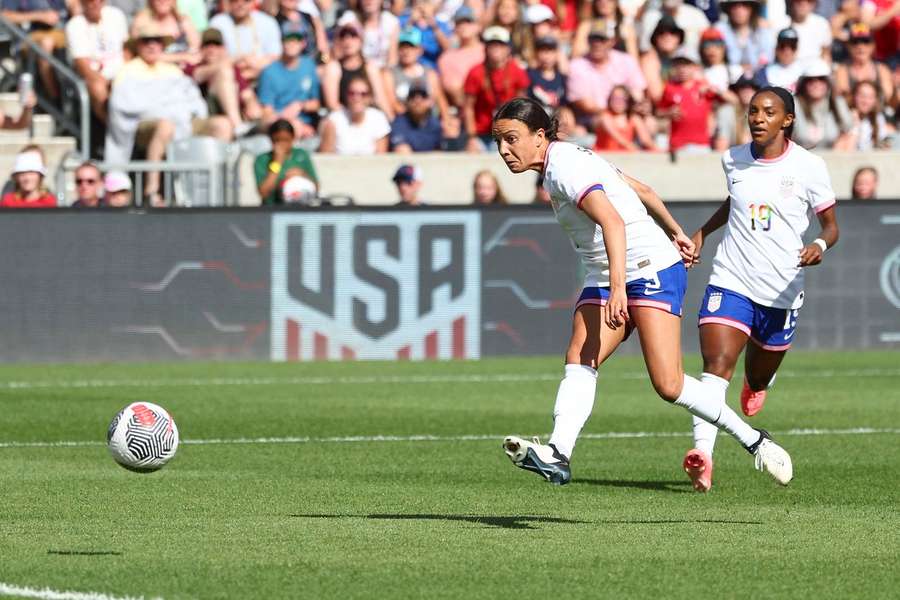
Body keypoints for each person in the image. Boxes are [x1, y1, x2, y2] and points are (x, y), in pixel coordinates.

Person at [492, 96, 793, 488]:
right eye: (498, 141)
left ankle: (754, 440)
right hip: (608, 273)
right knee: (580, 356)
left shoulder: (564, 166)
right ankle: (558, 453)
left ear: (538, 135)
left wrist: (621, 287)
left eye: (511, 139)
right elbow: (642, 190)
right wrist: (677, 231)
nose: (504, 150)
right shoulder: (566, 160)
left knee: (669, 384)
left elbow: (613, 222)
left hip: (648, 269)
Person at [683, 86, 838, 493]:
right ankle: (703, 456)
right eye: (753, 111)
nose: (757, 118)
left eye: (768, 112)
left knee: (757, 372)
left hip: (782, 288)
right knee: (716, 366)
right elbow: (735, 202)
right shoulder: (731, 159)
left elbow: (831, 226)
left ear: (787, 120)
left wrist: (819, 245)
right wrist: (702, 232)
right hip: (731, 277)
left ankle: (757, 384)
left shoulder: (809, 166)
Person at [105, 24, 233, 205]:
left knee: (222, 125)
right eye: (146, 41)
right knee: (166, 126)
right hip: (144, 124)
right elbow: (124, 106)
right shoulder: (128, 71)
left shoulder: (172, 71)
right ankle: (152, 191)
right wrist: (162, 109)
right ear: (138, 45)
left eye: (156, 41)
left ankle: (219, 188)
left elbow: (192, 101)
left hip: (182, 120)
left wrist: (181, 111)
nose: (152, 46)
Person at [567, 18, 646, 130]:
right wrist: (616, 113)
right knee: (605, 121)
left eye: (602, 39)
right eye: (593, 39)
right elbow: (585, 105)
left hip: (625, 115)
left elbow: (638, 93)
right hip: (593, 120)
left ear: (612, 41)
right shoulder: (577, 65)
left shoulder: (626, 60)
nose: (597, 44)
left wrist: (636, 107)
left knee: (649, 123)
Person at [185, 27, 263, 137]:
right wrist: (236, 58)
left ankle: (251, 133)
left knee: (258, 111)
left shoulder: (231, 68)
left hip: (231, 113)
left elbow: (247, 93)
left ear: (223, 49)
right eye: (207, 45)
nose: (211, 49)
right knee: (225, 125)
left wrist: (250, 103)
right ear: (201, 49)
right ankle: (238, 126)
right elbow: (199, 75)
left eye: (216, 45)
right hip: (205, 115)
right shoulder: (193, 66)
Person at [462, 26, 529, 152]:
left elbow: (522, 105)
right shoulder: (476, 72)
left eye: (500, 44)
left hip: (509, 132)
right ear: (485, 48)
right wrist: (471, 137)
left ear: (508, 48)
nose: (496, 48)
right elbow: (468, 106)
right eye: (492, 44)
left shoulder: (517, 71)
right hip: (481, 134)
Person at [657, 48, 735, 154]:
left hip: (701, 145)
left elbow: (734, 100)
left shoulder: (703, 86)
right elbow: (658, 112)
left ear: (695, 67)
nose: (682, 69)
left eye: (687, 65)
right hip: (677, 145)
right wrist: (669, 112)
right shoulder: (670, 87)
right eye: (679, 65)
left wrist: (714, 89)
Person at [65, 0, 129, 122]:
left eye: (99, 0)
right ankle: (114, 128)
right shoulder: (74, 25)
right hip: (95, 76)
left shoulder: (116, 16)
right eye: (90, 1)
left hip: (120, 72)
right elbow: (82, 65)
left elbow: (127, 49)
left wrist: (123, 75)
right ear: (82, 3)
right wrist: (105, 81)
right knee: (98, 88)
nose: (95, 4)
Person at [257, 20, 321, 140]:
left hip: (305, 123)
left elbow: (316, 103)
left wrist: (300, 105)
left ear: (303, 43)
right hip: (278, 122)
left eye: (296, 40)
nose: (292, 44)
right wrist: (286, 117)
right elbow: (267, 111)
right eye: (288, 39)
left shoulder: (309, 65)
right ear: (281, 42)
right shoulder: (269, 72)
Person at [383, 27, 449, 121]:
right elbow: (393, 103)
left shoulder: (430, 73)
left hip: (429, 122)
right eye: (402, 47)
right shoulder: (390, 74)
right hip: (404, 123)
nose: (406, 51)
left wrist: (447, 120)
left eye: (411, 47)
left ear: (420, 49)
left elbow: (441, 101)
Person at [208, 0, 282, 81]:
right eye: (235, 1)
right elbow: (212, 57)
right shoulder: (218, 23)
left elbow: (275, 56)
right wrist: (239, 59)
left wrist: (254, 66)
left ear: (253, 2)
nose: (240, 4)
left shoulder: (268, 22)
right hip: (231, 78)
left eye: (246, 0)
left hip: (263, 76)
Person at [318, 75, 391, 155]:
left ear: (370, 97)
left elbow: (381, 157)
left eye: (363, 94)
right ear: (346, 95)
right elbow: (326, 157)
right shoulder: (334, 120)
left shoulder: (378, 119)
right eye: (352, 93)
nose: (357, 98)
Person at [792, 58, 853, 149]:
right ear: (803, 83)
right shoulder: (794, 104)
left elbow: (848, 129)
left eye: (821, 79)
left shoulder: (837, 103)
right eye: (811, 80)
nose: (816, 84)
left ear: (828, 83)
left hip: (831, 158)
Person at [255, 118, 318, 205]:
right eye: (277, 140)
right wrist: (277, 163)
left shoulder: (302, 155)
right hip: (272, 209)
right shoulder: (262, 159)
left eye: (286, 140)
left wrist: (302, 174)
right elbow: (264, 193)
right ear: (271, 140)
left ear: (293, 138)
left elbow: (316, 187)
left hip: (300, 208)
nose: (282, 144)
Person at [833, 21, 895, 103]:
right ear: (848, 46)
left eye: (866, 42)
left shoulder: (882, 70)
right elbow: (842, 97)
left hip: (877, 113)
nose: (860, 46)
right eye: (855, 42)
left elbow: (887, 96)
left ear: (873, 46)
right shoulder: (842, 70)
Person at [437, 6, 484, 108]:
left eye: (468, 22)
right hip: (462, 110)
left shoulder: (488, 51)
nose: (463, 26)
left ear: (478, 26)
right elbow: (450, 89)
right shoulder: (446, 58)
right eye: (459, 23)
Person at [130, 0, 201, 66]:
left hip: (182, 73)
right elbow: (142, 54)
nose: (162, 1)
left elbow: (196, 53)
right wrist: (183, 57)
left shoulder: (183, 21)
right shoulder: (142, 20)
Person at [715, 0, 775, 75]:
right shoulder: (719, 30)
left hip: (759, 78)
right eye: (734, 6)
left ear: (751, 8)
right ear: (728, 9)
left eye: (745, 5)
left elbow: (769, 59)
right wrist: (739, 69)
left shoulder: (763, 31)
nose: (739, 10)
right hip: (728, 78)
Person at [593, 84, 658, 151]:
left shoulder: (633, 118)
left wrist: (657, 150)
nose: (617, 102)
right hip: (603, 157)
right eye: (614, 98)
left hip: (624, 157)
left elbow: (646, 140)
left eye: (621, 99)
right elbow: (618, 138)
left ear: (628, 101)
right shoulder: (605, 116)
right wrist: (634, 149)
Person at [389, 84, 443, 152]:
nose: (418, 100)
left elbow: (440, 150)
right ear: (407, 101)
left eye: (423, 96)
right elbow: (401, 150)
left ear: (430, 102)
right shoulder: (399, 123)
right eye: (412, 96)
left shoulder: (436, 124)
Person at [846, 80, 895, 149]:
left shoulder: (878, 118)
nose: (866, 101)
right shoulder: (846, 117)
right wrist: (855, 125)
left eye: (870, 97)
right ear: (854, 96)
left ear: (875, 100)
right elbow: (847, 151)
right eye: (862, 96)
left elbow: (884, 147)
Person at [754, 27, 805, 91]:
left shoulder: (806, 73)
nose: (787, 51)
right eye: (782, 46)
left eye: (792, 46)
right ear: (776, 48)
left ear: (797, 49)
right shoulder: (763, 73)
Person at [526, 36, 567, 114]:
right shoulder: (530, 75)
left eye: (551, 51)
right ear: (536, 53)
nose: (547, 56)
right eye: (542, 51)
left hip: (556, 119)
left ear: (557, 54)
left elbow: (564, 105)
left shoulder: (562, 78)